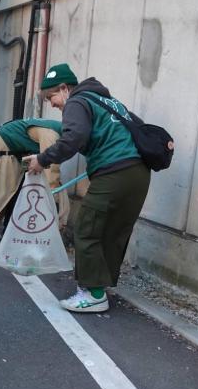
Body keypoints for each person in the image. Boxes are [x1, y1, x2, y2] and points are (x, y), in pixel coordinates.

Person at [23, 63, 150, 313]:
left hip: (114, 172)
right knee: (112, 231)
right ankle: (100, 287)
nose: (53, 104)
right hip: (139, 173)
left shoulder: (77, 101)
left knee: (87, 228)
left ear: (63, 88)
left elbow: (74, 138)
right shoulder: (108, 101)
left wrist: (43, 159)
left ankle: (93, 295)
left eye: (52, 97)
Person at [0, 118, 70, 244]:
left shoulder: (56, 129)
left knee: (11, 192)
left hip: (10, 148)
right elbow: (52, 167)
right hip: (5, 148)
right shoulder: (52, 134)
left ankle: (7, 231)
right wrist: (52, 193)